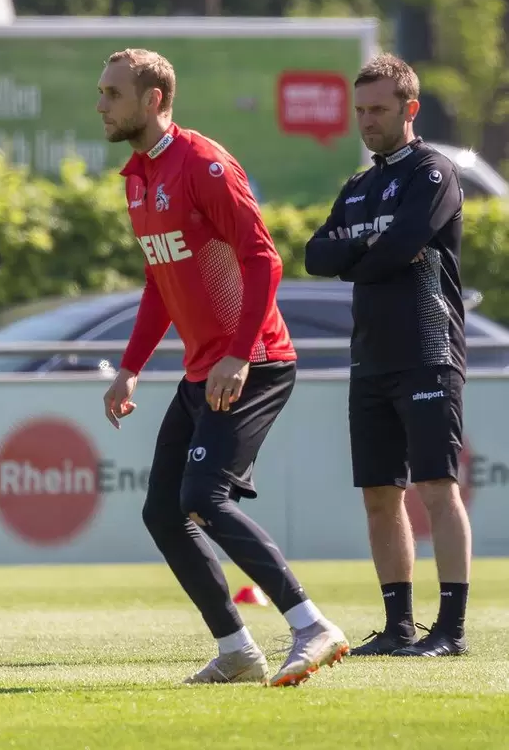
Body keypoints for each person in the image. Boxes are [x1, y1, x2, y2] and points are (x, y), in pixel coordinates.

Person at [98, 48, 349, 686]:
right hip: (201, 370)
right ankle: (238, 649)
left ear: (153, 99)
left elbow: (264, 260)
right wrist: (130, 367)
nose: (101, 105)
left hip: (254, 360)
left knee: (203, 498)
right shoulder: (135, 178)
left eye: (112, 94)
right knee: (163, 511)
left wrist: (239, 353)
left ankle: (311, 625)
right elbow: (161, 282)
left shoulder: (204, 164)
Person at [304, 53, 471, 657]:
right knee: (379, 493)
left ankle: (450, 630)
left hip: (427, 349)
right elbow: (314, 256)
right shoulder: (358, 185)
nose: (367, 121)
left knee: (435, 485)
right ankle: (398, 626)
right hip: (370, 356)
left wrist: (359, 250)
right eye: (361, 110)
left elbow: (401, 245)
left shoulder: (432, 171)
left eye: (379, 109)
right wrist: (364, 248)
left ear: (409, 109)